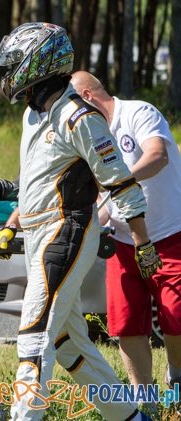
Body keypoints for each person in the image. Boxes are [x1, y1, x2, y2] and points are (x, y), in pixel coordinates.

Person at [0, 22, 158, 421]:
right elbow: (35, 183)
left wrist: (144, 243)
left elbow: (120, 181)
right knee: (67, 344)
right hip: (37, 235)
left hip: (66, 231)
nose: (7, 72)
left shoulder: (78, 116)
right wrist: (12, 223)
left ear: (39, 61)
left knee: (34, 332)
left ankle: (23, 416)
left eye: (15, 63)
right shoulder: (35, 114)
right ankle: (131, 417)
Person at [70, 71, 181, 390]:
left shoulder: (138, 112)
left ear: (87, 97)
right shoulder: (89, 136)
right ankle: (143, 396)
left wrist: (117, 183)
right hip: (121, 243)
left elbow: (157, 156)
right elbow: (106, 200)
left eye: (72, 106)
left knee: (176, 315)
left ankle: (176, 375)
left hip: (169, 235)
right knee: (127, 324)